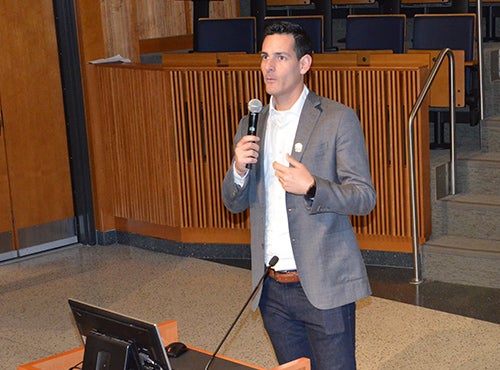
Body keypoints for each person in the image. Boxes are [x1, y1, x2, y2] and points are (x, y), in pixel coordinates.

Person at [221, 21, 376, 370]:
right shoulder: (252, 122)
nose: (268, 67)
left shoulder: (337, 119)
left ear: (304, 64)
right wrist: (239, 170)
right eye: (264, 56)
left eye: (280, 57)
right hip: (272, 289)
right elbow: (233, 201)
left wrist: (313, 187)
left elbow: (364, 197)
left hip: (323, 285)